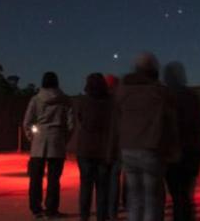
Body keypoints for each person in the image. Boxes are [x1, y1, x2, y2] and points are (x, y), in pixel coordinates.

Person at [115, 53, 178, 221]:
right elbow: (170, 122)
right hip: (151, 149)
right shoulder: (160, 92)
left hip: (128, 149)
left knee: (135, 199)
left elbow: (117, 118)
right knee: (152, 200)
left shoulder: (123, 91)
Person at [23, 71, 74, 219]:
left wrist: (32, 137)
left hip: (39, 143)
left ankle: (36, 209)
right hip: (57, 142)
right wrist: (64, 139)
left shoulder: (36, 99)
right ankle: (51, 209)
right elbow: (71, 125)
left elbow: (27, 122)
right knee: (54, 179)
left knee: (35, 178)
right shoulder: (65, 100)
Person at [163, 62, 200, 221]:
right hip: (192, 152)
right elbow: (198, 127)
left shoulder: (167, 98)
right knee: (186, 195)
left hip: (174, 153)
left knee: (177, 196)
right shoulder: (193, 97)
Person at [73, 73, 115, 221]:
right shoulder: (111, 103)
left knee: (85, 186)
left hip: (85, 149)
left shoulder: (82, 102)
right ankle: (101, 217)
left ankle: (84, 217)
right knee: (102, 188)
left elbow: (78, 121)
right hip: (103, 150)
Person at [104, 74, 124, 220]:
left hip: (103, 146)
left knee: (104, 179)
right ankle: (113, 212)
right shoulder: (121, 102)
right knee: (115, 179)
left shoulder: (100, 101)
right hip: (118, 145)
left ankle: (104, 211)